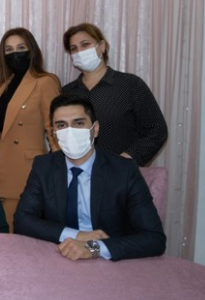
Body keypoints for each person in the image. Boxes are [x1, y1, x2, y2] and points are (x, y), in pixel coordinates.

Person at [13, 94, 166, 261]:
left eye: (79, 123)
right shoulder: (43, 166)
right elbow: (22, 220)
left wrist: (93, 248)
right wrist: (77, 235)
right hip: (58, 258)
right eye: (61, 125)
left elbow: (154, 238)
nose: (70, 132)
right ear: (54, 133)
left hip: (109, 263)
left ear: (96, 128)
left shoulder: (124, 170)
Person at [0, 28, 61, 230]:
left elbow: (54, 127)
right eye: (9, 50)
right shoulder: (1, 86)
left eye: (21, 47)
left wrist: (61, 165)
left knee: (18, 237)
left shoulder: (45, 82)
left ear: (31, 50)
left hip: (26, 171)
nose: (15, 53)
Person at [61, 23, 168, 166]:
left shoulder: (130, 85)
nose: (80, 52)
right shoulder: (67, 92)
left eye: (85, 44)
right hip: (78, 172)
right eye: (74, 48)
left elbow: (157, 130)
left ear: (102, 46)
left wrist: (127, 159)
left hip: (122, 173)